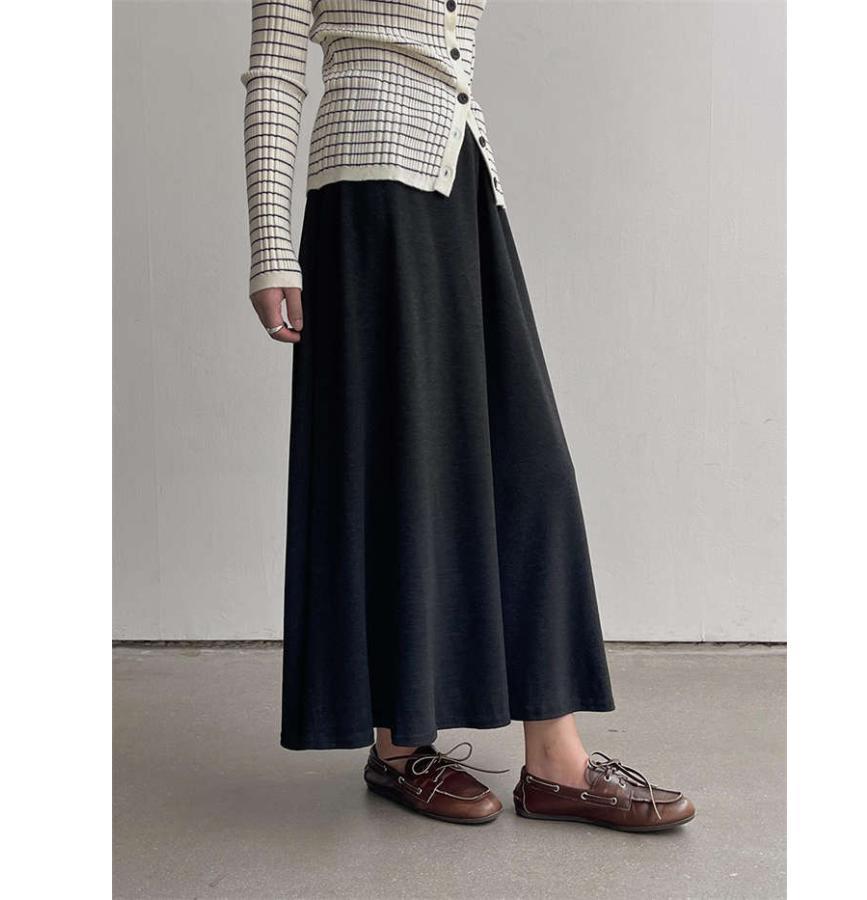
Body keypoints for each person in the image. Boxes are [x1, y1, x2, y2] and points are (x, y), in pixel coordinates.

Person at [241, 0, 694, 832]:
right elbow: (274, 70)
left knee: (530, 467)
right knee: (400, 466)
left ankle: (554, 760)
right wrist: (273, 247)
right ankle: (399, 743)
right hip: (367, 194)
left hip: (465, 183)